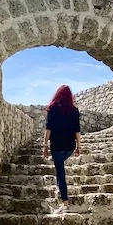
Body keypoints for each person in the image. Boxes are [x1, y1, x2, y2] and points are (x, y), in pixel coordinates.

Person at [43, 85, 81, 213]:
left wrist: (45, 146)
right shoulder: (74, 110)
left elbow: (48, 128)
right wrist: (79, 146)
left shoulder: (52, 109)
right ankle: (59, 190)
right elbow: (77, 130)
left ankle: (65, 202)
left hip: (57, 146)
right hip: (70, 146)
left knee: (60, 173)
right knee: (60, 169)